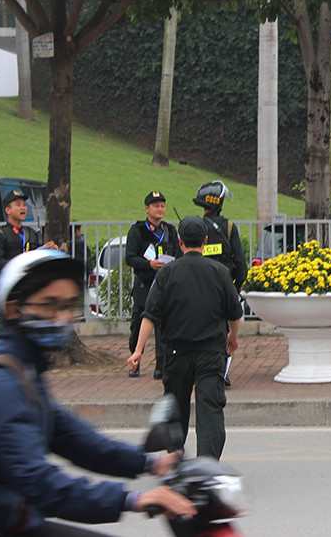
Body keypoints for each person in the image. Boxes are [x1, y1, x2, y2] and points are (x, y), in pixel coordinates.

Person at [0, 249, 194, 535]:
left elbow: (76, 439)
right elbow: (41, 484)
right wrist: (133, 500)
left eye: (68, 306)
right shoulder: (0, 384)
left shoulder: (25, 369)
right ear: (13, 310)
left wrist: (152, 463)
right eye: (49, 305)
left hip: (12, 519)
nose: (62, 317)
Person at [127, 216, 242, 460]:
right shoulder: (220, 272)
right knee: (210, 409)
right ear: (205, 241)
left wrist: (138, 350)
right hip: (211, 354)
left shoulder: (167, 274)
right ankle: (207, 464)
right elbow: (235, 312)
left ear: (180, 242)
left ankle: (175, 459)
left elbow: (150, 315)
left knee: (176, 408)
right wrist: (234, 336)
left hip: (176, 353)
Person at [193, 180, 246, 387]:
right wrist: (238, 285)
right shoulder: (230, 227)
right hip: (223, 287)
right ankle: (221, 372)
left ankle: (198, 370)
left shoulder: (195, 226)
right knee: (223, 331)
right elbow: (239, 260)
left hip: (197, 286)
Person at [125, 191, 181, 379]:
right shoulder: (138, 230)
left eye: (162, 206)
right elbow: (130, 258)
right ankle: (135, 361)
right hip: (145, 283)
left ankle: (162, 367)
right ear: (147, 208)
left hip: (165, 284)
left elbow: (179, 255)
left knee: (163, 326)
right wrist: (149, 264)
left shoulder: (170, 231)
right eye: (156, 206)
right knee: (139, 323)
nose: (160, 209)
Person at [0, 190, 56, 278]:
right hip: (9, 282)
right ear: (8, 210)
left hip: (29, 282)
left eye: (24, 205)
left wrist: (47, 250)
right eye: (18, 205)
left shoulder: (32, 233)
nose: (23, 208)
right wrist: (19, 263)